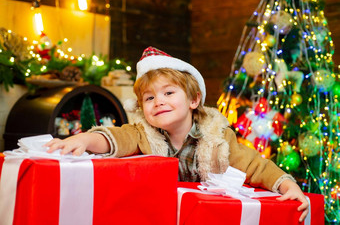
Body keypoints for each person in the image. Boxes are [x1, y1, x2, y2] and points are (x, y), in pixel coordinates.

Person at [45, 46, 309, 221]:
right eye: (149, 98)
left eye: (169, 93)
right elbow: (116, 138)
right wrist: (84, 139)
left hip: (206, 216)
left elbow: (254, 165)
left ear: (194, 100)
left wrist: (289, 185)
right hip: (159, 215)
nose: (158, 101)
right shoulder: (142, 133)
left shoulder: (217, 139)